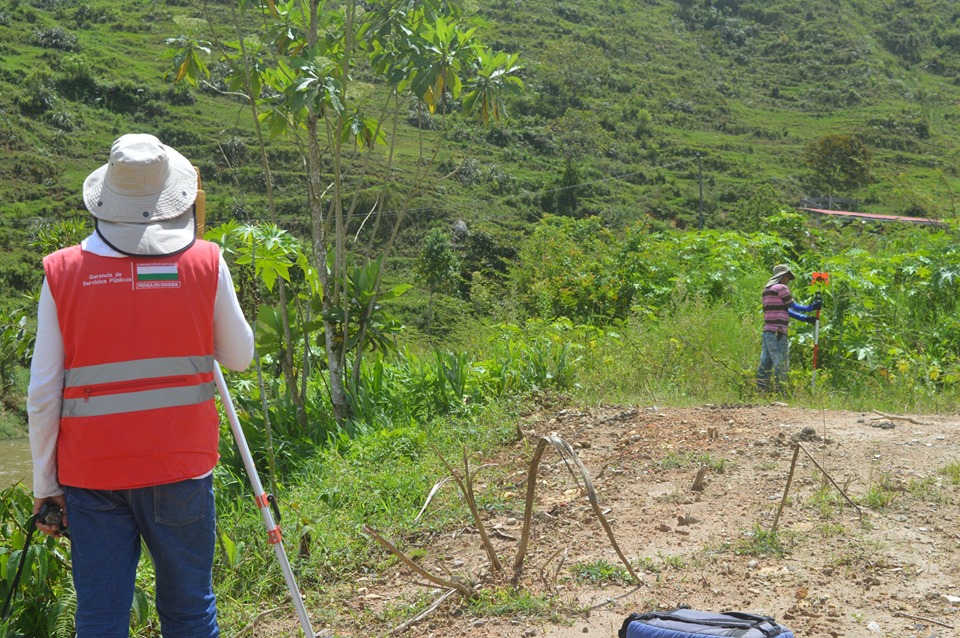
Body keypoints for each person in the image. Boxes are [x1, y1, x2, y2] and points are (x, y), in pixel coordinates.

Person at [28, 134, 254, 637]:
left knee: (102, 618)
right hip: (181, 468)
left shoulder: (62, 272)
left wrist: (46, 486)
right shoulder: (206, 261)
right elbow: (239, 357)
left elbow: (43, 391)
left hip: (92, 477)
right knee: (189, 611)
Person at [756, 264, 821, 392]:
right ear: (783, 276)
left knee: (765, 363)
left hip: (767, 332)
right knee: (781, 363)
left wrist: (805, 318)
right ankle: (781, 391)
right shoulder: (781, 288)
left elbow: (785, 311)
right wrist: (812, 307)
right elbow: (793, 307)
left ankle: (761, 391)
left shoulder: (766, 290)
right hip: (778, 332)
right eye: (788, 277)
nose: (788, 281)